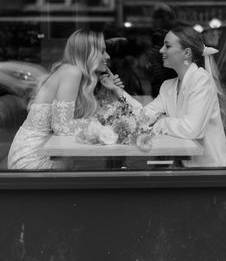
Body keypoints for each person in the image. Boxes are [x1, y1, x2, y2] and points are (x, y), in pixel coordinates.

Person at [7, 28, 134, 170]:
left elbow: (97, 115)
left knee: (97, 172)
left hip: (49, 153)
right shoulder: (71, 72)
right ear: (87, 52)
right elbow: (62, 127)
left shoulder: (76, 76)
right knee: (97, 174)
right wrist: (103, 126)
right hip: (33, 157)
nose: (108, 56)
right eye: (102, 51)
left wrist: (113, 92)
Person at [144, 25, 226, 167]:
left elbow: (191, 129)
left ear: (187, 53)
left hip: (210, 170)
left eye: (167, 46)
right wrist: (119, 92)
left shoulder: (201, 80)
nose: (161, 50)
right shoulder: (168, 86)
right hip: (186, 167)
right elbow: (144, 115)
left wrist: (162, 121)